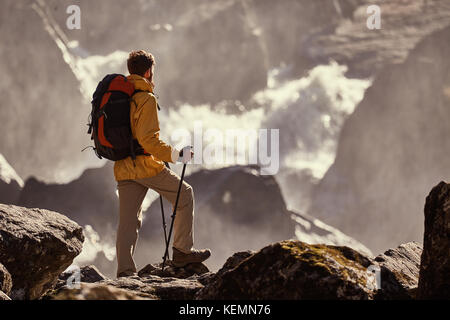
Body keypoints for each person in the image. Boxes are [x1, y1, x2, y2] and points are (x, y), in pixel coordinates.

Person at [114, 50, 210, 278]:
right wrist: (177, 155)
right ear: (148, 71)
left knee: (128, 222)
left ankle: (125, 273)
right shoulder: (146, 98)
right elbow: (148, 140)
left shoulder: (122, 97)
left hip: (123, 166)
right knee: (185, 195)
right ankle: (182, 252)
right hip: (145, 166)